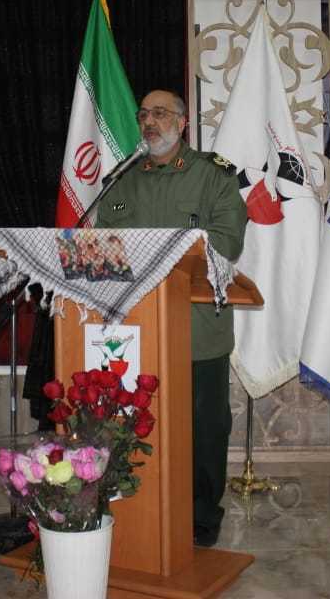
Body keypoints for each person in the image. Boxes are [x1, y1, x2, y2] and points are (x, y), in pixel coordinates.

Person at [97, 89, 247, 548]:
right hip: (135, 328)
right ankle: (139, 507)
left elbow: (227, 241)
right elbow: (103, 245)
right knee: (135, 423)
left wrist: (164, 252)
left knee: (205, 428)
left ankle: (202, 515)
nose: (150, 121)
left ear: (182, 123)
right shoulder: (121, 180)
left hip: (196, 330)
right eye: (144, 114)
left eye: (160, 114)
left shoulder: (213, 176)